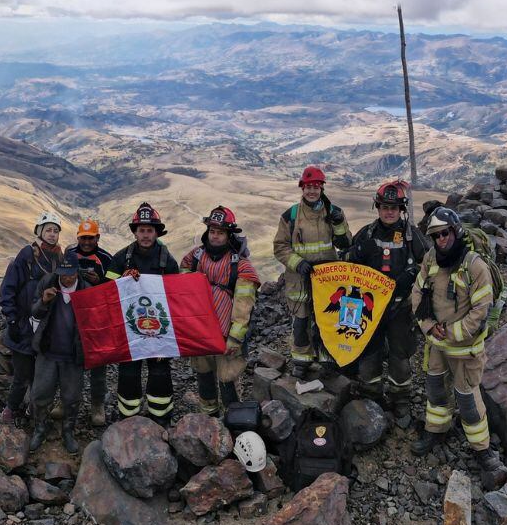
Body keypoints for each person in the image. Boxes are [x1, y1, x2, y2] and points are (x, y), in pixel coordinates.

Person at [409, 207, 503, 481]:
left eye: (445, 233)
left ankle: (483, 450)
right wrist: (428, 326)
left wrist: (449, 332)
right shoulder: (431, 259)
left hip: (465, 350)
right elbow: (417, 292)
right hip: (437, 346)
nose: (441, 240)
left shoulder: (474, 265)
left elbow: (481, 311)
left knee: (468, 400)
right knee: (436, 390)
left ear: (456, 230)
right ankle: (436, 431)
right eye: (435, 235)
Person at [346, 179, 428, 415]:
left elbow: (430, 265)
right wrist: (358, 252)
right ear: (378, 208)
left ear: (401, 209)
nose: (389, 212)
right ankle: (371, 393)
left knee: (399, 354)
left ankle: (400, 397)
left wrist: (413, 275)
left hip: (401, 309)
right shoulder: (366, 234)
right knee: (369, 351)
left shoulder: (414, 237)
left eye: (394, 208)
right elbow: (345, 266)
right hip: (370, 310)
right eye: (385, 207)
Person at [180, 206, 260, 415]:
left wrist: (235, 338)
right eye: (212, 231)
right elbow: (181, 282)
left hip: (227, 332)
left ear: (229, 235)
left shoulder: (241, 266)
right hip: (200, 330)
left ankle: (234, 421)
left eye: (221, 232)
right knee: (203, 372)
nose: (215, 236)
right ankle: (209, 417)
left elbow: (244, 306)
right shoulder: (194, 257)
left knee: (228, 377)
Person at [105, 203, 181, 424]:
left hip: (159, 328)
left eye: (149, 230)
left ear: (157, 232)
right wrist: (122, 280)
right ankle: (128, 418)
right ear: (135, 232)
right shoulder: (121, 258)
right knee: (128, 372)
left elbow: (175, 296)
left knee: (160, 372)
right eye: (141, 230)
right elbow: (107, 290)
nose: (145, 235)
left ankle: (162, 417)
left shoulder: (168, 260)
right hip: (130, 330)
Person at [273, 165, 350, 379]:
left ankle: (327, 359)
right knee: (301, 322)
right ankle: (301, 361)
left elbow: (345, 243)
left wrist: (339, 224)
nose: (312, 191)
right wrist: (298, 263)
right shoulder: (291, 216)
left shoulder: (334, 212)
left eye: (316, 186)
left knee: (327, 319)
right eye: (308, 187)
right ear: (302, 188)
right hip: (300, 280)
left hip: (327, 280)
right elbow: (280, 247)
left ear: (322, 189)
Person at [0, 212, 63, 424]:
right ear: (39, 232)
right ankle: (10, 410)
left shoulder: (60, 258)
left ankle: (33, 410)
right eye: (48, 230)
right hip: (24, 325)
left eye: (55, 230)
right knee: (22, 375)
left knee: (40, 375)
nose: (52, 235)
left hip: (45, 326)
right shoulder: (27, 255)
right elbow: (9, 287)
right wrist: (12, 319)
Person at [26, 255, 88, 456]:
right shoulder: (48, 283)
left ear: (77, 271)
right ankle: (40, 428)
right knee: (40, 393)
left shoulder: (86, 289)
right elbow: (34, 312)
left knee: (71, 397)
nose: (67, 279)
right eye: (63, 275)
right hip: (48, 352)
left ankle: (68, 431)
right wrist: (44, 301)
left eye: (71, 275)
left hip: (73, 356)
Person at [67, 218, 113, 427]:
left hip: (97, 319)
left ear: (98, 238)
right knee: (69, 361)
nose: (86, 242)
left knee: (98, 362)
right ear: (78, 237)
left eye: (90, 238)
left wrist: (99, 282)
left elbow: (114, 287)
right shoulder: (68, 255)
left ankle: (97, 405)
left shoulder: (106, 258)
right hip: (72, 317)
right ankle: (67, 402)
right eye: (83, 238)